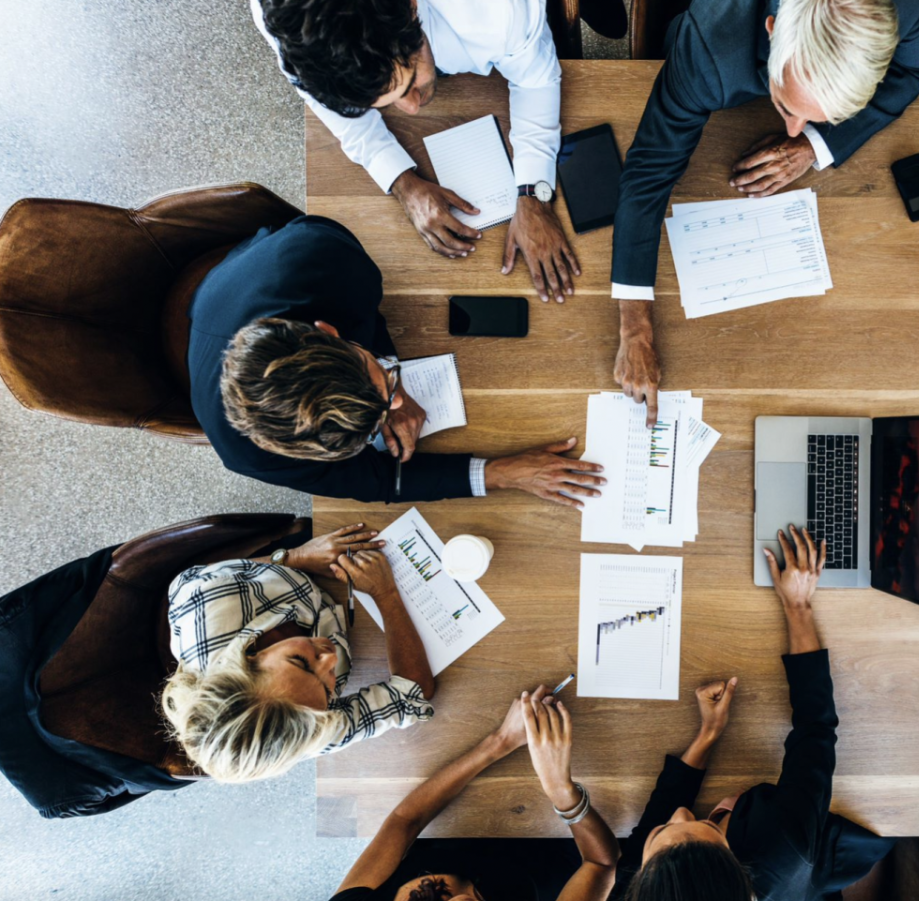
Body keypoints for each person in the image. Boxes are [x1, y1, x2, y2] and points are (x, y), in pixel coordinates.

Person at [610, 0, 919, 425]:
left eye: (814, 117)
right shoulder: (708, 46)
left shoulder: (908, 8)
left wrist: (815, 146)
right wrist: (634, 325)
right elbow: (651, 166)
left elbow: (916, 69)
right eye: (788, 108)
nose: (790, 131)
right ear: (772, 30)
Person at [190, 214, 605, 507]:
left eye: (386, 385)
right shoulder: (248, 455)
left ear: (331, 331)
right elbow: (373, 481)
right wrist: (501, 473)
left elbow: (366, 304)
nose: (399, 406)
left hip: (264, 264)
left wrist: (392, 382)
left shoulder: (317, 255)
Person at [615, 525, 895, 900]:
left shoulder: (638, 891)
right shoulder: (784, 850)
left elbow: (666, 808)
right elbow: (816, 728)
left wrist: (709, 735)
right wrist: (798, 605)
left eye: (660, 834)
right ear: (738, 864)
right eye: (709, 831)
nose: (681, 812)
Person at [252, 0, 579, 303]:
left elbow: (535, 81)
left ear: (411, 8)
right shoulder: (288, 25)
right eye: (387, 100)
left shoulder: (499, 11)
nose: (411, 109)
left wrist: (533, 196)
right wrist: (401, 182)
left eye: (408, 85)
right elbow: (328, 107)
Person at [162, 525, 437, 783]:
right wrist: (384, 592)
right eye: (327, 693)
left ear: (247, 658)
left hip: (283, 565)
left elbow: (189, 577)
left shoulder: (210, 600)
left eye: (300, 662)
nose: (330, 658)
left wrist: (296, 557)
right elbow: (412, 692)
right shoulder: (306, 731)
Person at [329, 685, 620, 901]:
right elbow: (601, 863)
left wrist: (500, 742)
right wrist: (560, 790)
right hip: (555, 858)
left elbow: (405, 820)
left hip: (459, 831)